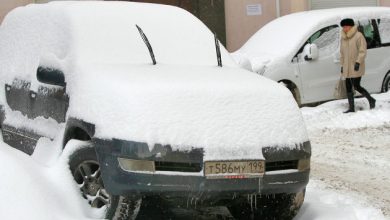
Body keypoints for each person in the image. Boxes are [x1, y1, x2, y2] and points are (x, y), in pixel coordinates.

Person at [340, 18, 376, 113]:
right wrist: (342, 65)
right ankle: (351, 108)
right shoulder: (343, 38)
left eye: (346, 26)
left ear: (351, 26)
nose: (344, 28)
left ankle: (371, 100)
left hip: (356, 66)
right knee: (348, 86)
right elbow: (342, 53)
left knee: (356, 86)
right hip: (347, 67)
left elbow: (362, 51)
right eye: (343, 27)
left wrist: (358, 62)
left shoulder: (358, 36)